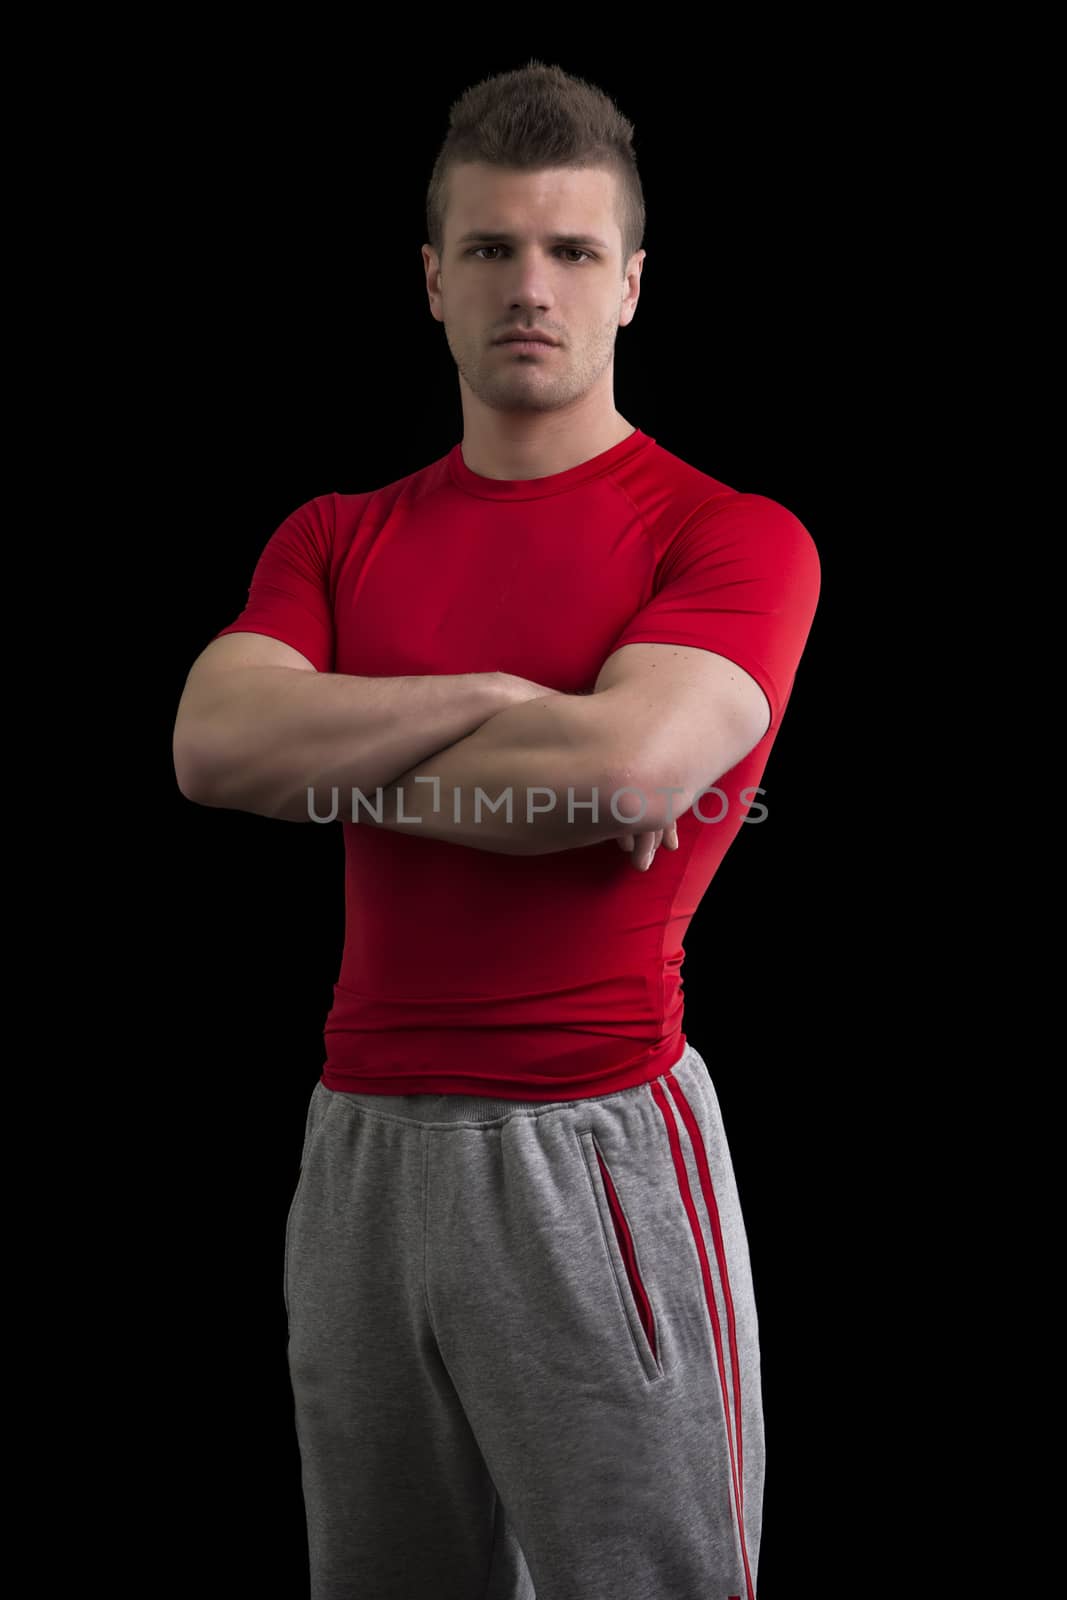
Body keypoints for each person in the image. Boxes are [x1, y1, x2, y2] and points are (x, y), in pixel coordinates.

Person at [173, 57, 820, 1600]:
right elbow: (210, 744)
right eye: (490, 249)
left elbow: (611, 781)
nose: (531, 285)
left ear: (633, 284)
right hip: (358, 1152)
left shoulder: (729, 535)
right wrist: (499, 690)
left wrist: (333, 740)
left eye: (572, 251)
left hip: (587, 1146)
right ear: (433, 280)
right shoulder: (336, 533)